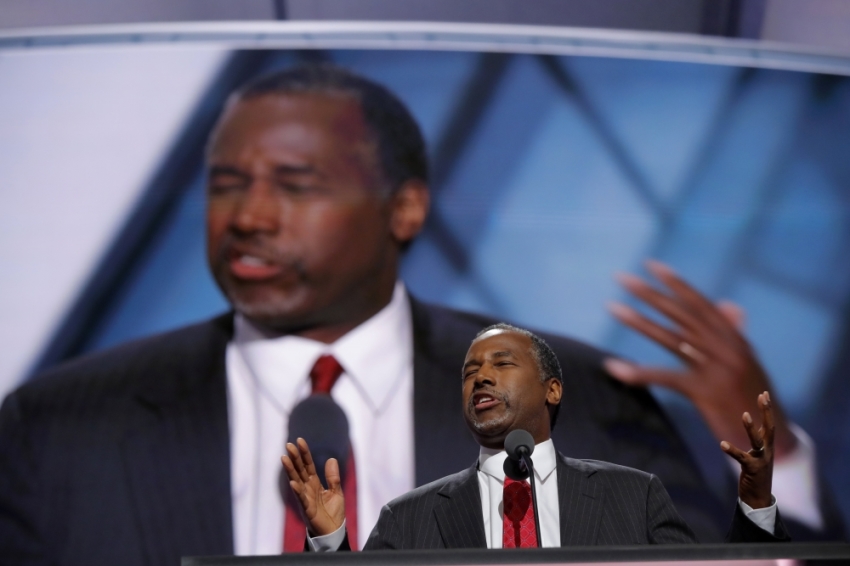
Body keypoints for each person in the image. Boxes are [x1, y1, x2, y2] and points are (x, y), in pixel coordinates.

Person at [0, 64, 836, 566]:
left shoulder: (575, 401)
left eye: (295, 185)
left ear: (405, 209)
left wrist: (778, 462)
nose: (248, 216)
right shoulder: (57, 427)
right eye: (227, 185)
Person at [282, 323, 789, 549]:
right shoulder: (409, 518)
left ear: (552, 389)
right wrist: (329, 542)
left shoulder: (633, 497)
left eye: (502, 364)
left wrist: (755, 505)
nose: (481, 377)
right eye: (470, 372)